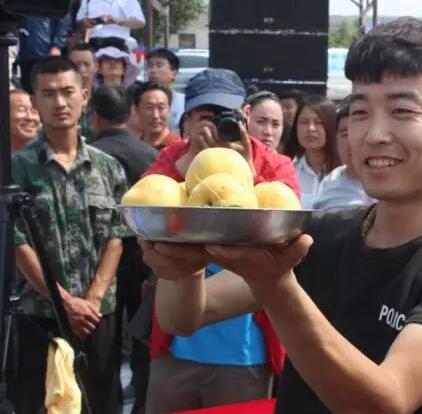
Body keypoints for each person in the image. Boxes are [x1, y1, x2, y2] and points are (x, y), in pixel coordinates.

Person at [142, 19, 422, 414]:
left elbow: (386, 401)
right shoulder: (322, 232)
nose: (374, 133)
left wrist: (276, 285)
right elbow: (184, 317)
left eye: (402, 111)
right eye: (359, 112)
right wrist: (182, 260)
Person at [142, 68, 300, 413]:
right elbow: (149, 206)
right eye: (205, 117)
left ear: (245, 114)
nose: (215, 127)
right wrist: (192, 164)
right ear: (187, 119)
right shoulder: (173, 157)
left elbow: (282, 231)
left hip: (246, 348)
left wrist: (245, 170)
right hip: (177, 342)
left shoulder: (275, 164)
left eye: (225, 116)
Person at [11, 56, 129, 414]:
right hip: (41, 317)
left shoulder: (108, 168)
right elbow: (18, 243)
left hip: (98, 315)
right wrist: (64, 302)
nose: (59, 102)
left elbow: (117, 235)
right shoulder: (16, 169)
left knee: (102, 403)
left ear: (85, 94)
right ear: (34, 101)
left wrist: (91, 299)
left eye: (67, 91)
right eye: (48, 94)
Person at [88, 84, 158, 414]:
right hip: (146, 258)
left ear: (94, 116)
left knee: (106, 346)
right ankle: (143, 403)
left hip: (102, 265)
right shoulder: (149, 155)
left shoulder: (89, 155)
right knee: (144, 338)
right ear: (131, 113)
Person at [281, 94, 341, 208]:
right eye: (304, 122)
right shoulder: (288, 171)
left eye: (318, 122)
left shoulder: (346, 173)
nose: (311, 128)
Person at [313, 100, 374, 210]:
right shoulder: (330, 183)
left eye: (359, 132)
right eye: (345, 134)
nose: (351, 141)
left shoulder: (391, 186)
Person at [17, 14, 72, 94]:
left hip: (45, 51)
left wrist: (57, 45)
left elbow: (63, 18)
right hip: (25, 52)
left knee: (48, 87)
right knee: (28, 88)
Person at [76, 0, 145, 52]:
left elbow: (140, 22)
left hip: (118, 45)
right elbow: (79, 22)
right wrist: (86, 22)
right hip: (94, 44)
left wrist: (118, 21)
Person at [134, 81, 182, 150]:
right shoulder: (133, 148)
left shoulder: (180, 149)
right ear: (137, 110)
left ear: (169, 109)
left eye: (161, 108)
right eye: (149, 107)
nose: (155, 115)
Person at [146, 48, 185, 133]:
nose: (153, 70)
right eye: (150, 66)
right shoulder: (141, 101)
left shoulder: (184, 102)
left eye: (159, 65)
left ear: (174, 74)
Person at [68, 42, 98, 140]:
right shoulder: (61, 101)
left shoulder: (103, 100)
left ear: (96, 67)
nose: (82, 70)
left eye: (87, 64)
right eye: (76, 65)